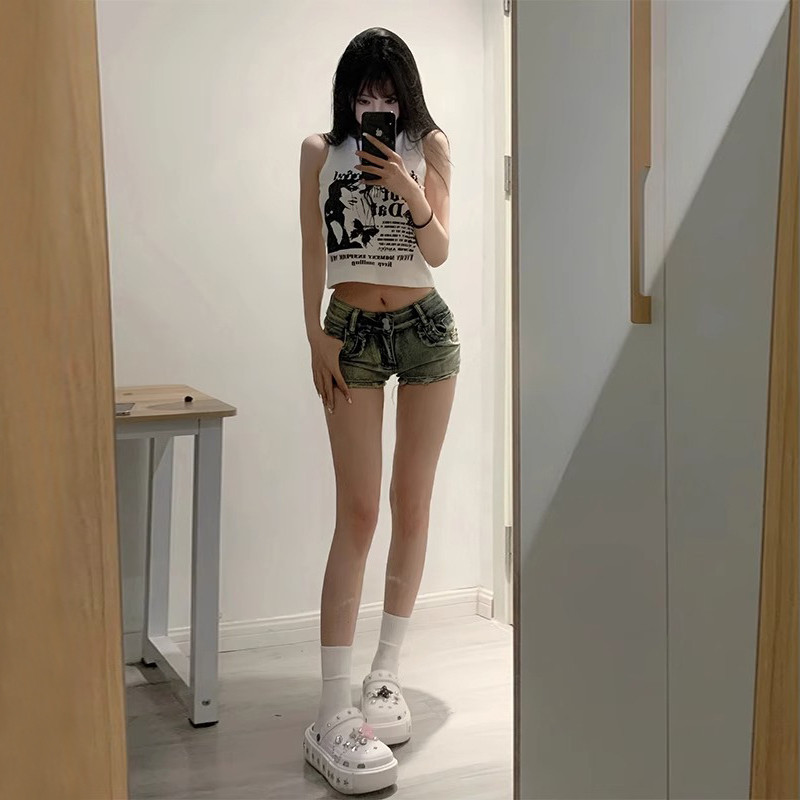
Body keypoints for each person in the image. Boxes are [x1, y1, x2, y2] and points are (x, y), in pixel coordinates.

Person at [299, 27, 459, 794]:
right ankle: (332, 708)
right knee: (358, 511)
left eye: (388, 92)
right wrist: (315, 336)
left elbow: (440, 250)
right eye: (364, 92)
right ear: (347, 93)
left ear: (406, 93)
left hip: (426, 328)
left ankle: (384, 674)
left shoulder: (431, 146)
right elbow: (311, 248)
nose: (376, 104)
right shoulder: (318, 151)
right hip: (352, 332)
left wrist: (408, 186)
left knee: (411, 502)